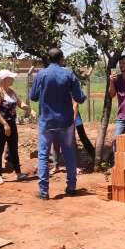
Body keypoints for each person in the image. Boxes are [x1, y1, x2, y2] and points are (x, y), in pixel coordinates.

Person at [30, 48, 86, 199]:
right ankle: (71, 187)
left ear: (48, 59)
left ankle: (44, 191)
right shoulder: (68, 74)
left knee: (43, 155)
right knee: (68, 153)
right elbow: (80, 98)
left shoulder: (41, 74)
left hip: (46, 121)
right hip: (66, 121)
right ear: (61, 59)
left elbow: (33, 96)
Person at [0, 69, 33, 185]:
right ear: (4, 80)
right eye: (11, 77)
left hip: (11, 124)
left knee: (13, 148)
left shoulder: (11, 91)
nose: (13, 79)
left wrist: (29, 108)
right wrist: (5, 124)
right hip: (0, 125)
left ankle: (18, 173)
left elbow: (20, 104)